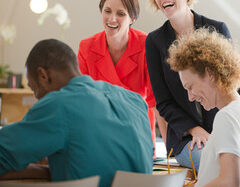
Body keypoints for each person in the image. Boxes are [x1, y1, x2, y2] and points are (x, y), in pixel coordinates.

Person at [0, 39, 154, 187]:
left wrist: (45, 171)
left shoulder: (58, 104)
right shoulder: (135, 100)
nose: (37, 97)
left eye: (34, 89)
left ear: (43, 75)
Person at [145, 0, 240, 171]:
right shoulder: (154, 41)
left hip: (227, 126)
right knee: (216, 165)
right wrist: (195, 130)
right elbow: (163, 102)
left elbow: (234, 83)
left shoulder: (217, 29)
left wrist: (238, 123)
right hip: (186, 139)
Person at [167, 28, 240, 187]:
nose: (190, 97)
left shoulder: (226, 116)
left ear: (210, 74)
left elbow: (230, 181)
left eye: (191, 87)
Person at [77, 0, 157, 156]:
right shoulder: (86, 47)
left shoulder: (146, 45)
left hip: (137, 131)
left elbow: (154, 100)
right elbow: (80, 98)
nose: (112, 18)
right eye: (107, 11)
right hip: (98, 131)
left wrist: (170, 145)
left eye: (121, 13)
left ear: (132, 18)